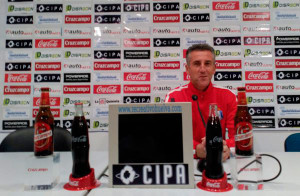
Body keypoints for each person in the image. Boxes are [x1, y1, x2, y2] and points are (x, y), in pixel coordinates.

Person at [165, 44, 237, 161]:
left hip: (220, 162)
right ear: (187, 69)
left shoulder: (229, 96)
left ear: (214, 68)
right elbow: (171, 138)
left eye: (207, 64)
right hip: (186, 162)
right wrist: (197, 149)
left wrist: (225, 147)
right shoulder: (174, 97)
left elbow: (239, 138)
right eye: (197, 64)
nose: (203, 69)